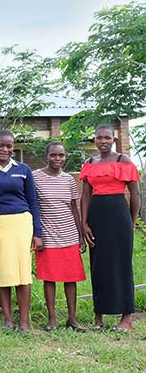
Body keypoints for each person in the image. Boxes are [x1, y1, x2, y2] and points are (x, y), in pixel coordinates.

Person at [0, 130, 42, 332]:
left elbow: (33, 201)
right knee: (3, 273)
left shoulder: (23, 169)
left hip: (22, 224)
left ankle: (23, 321)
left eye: (9, 146)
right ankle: (8, 319)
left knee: (23, 274)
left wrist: (37, 232)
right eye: (1, 145)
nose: (5, 149)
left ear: (13, 147)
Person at [80, 124, 140, 332]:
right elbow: (85, 195)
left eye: (107, 138)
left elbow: (135, 194)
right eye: (99, 138)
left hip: (119, 215)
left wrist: (131, 222)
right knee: (98, 264)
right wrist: (84, 224)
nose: (103, 141)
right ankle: (99, 316)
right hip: (96, 216)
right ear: (94, 140)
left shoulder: (123, 161)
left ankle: (127, 318)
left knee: (122, 264)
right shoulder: (89, 163)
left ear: (113, 140)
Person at [33, 141, 86, 332]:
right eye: (53, 155)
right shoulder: (35, 177)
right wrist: (35, 234)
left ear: (65, 157)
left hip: (69, 234)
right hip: (47, 235)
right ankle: (52, 319)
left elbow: (74, 208)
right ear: (46, 156)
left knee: (71, 278)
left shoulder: (69, 180)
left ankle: (72, 318)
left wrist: (80, 236)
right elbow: (33, 205)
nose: (57, 159)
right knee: (50, 278)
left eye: (61, 155)